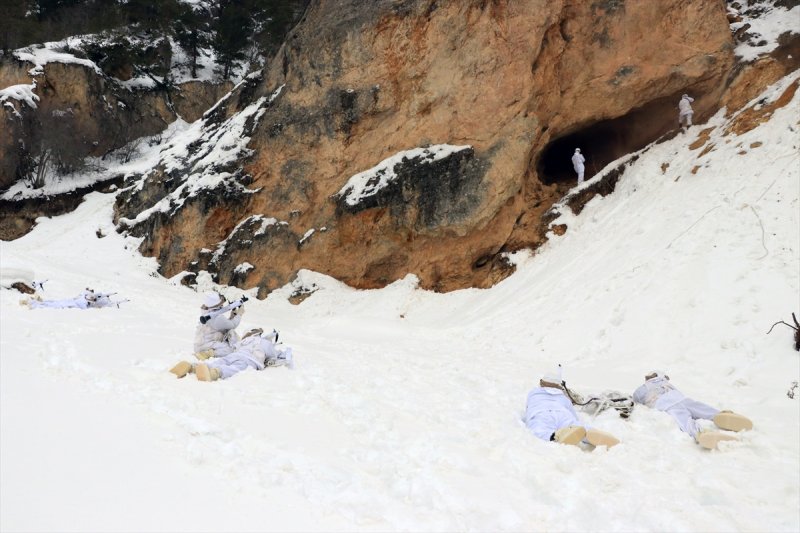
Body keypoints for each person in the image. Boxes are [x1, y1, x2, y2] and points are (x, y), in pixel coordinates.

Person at [632, 371, 752, 450]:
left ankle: (700, 432)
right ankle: (718, 415)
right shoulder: (663, 383)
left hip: (668, 404)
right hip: (680, 399)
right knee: (699, 408)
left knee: (684, 420)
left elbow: (636, 397)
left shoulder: (645, 388)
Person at [525, 369, 620, 448]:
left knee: (540, 430)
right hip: (562, 413)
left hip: (541, 413)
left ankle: (554, 437)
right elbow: (573, 414)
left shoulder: (533, 393)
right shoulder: (563, 397)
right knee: (575, 426)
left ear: (542, 383)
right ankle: (589, 432)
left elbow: (529, 409)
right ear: (558, 386)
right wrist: (574, 423)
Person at [170, 328, 293, 381]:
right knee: (234, 369)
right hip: (249, 360)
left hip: (236, 354)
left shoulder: (245, 341)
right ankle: (214, 374)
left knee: (220, 361)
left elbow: (235, 347)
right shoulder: (266, 343)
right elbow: (272, 357)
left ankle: (193, 367)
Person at [193, 292, 244, 359]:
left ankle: (208, 352)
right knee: (231, 349)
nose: (222, 304)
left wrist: (232, 316)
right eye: (220, 302)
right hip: (206, 345)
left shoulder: (206, 313)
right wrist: (239, 314)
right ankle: (208, 354)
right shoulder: (217, 318)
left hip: (200, 344)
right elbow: (232, 325)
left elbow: (222, 327)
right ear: (216, 304)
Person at [23, 287, 121, 309]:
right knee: (55, 303)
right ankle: (34, 303)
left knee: (55, 305)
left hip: (72, 303)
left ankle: (34, 303)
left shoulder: (88, 301)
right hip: (71, 302)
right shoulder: (86, 297)